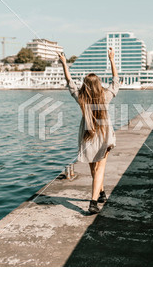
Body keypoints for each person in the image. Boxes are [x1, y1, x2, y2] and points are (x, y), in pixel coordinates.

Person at [58, 48, 120, 214]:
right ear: (98, 85)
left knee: (94, 168)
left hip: (88, 136)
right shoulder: (105, 96)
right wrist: (112, 60)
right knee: (100, 168)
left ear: (85, 86)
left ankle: (101, 193)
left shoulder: (82, 98)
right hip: (104, 137)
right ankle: (93, 202)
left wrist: (64, 63)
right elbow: (116, 81)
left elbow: (70, 82)